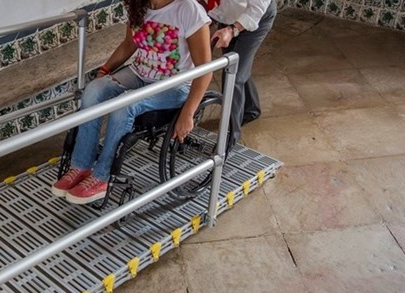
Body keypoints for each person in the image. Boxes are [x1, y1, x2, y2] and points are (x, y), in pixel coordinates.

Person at [52, 0, 212, 205]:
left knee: (124, 105)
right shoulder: (140, 4)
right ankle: (81, 165)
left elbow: (205, 69)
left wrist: (188, 112)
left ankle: (102, 176)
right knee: (93, 91)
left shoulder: (189, 10)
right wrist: (106, 70)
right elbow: (130, 43)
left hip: (176, 85)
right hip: (140, 73)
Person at [204, 0, 276, 145]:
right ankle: (251, 109)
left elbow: (256, 10)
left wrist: (232, 30)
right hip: (228, 17)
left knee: (233, 74)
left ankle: (230, 138)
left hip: (256, 19)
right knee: (241, 67)